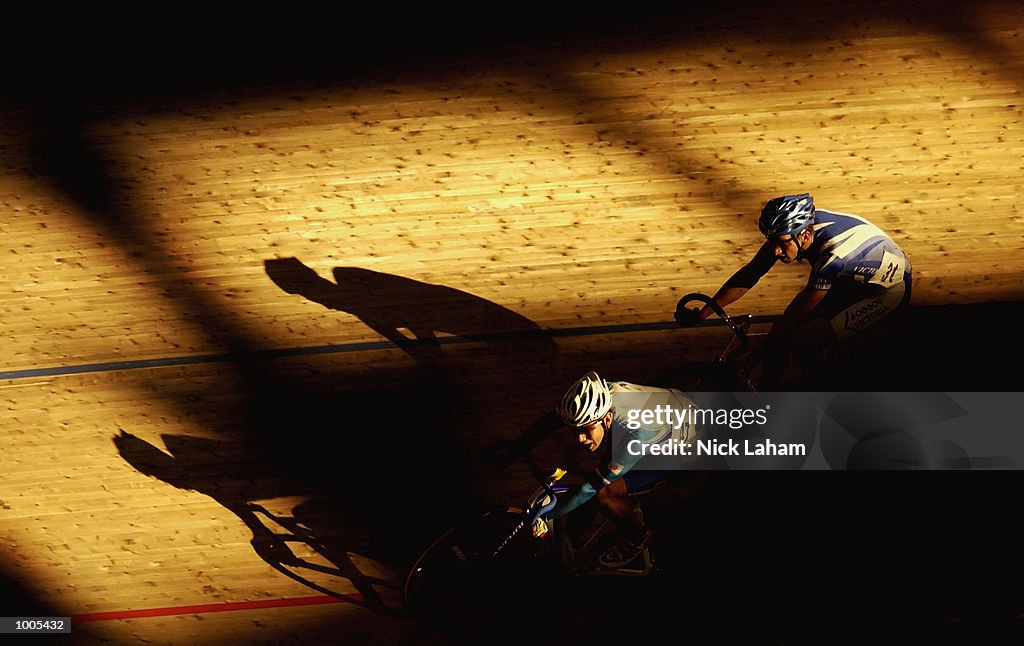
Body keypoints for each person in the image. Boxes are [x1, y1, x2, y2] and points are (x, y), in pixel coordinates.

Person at [675, 193, 912, 389]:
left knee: (800, 340)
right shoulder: (793, 230)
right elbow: (752, 272)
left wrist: (752, 362)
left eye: (782, 243)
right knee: (782, 337)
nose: (776, 251)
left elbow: (794, 318)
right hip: (853, 279)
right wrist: (704, 312)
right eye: (772, 241)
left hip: (887, 291)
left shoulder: (833, 257)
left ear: (805, 235)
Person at [531, 371, 705, 569]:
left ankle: (638, 534)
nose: (579, 439)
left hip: (686, 457)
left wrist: (547, 516)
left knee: (605, 493)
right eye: (575, 430)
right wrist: (517, 448)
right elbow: (550, 421)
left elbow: (592, 487)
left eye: (585, 429)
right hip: (680, 414)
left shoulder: (637, 435)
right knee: (602, 471)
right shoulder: (602, 396)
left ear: (605, 419)